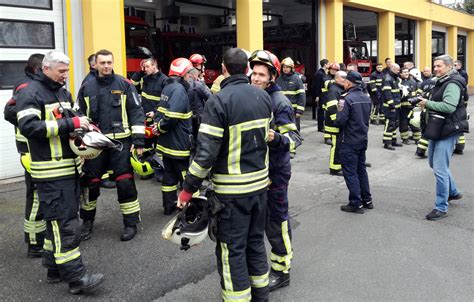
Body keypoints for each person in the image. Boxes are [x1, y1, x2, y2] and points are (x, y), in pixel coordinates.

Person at [177, 48, 272, 301]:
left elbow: (206, 153)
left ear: (223, 69)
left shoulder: (219, 101)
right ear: (248, 70)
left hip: (232, 194)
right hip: (260, 188)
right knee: (255, 243)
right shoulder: (263, 97)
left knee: (232, 251)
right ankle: (261, 295)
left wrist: (188, 188)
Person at [16, 50, 104, 294]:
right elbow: (29, 127)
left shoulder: (62, 92)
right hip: (50, 172)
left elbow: (73, 117)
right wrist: (72, 124)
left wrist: (86, 125)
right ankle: (76, 278)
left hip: (68, 170)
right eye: (62, 71)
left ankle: (53, 268)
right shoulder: (30, 93)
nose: (66, 75)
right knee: (64, 225)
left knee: (59, 221)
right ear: (46, 69)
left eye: (67, 71)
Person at [77, 49, 145, 241]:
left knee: (124, 182)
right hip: (95, 144)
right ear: (95, 65)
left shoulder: (124, 84)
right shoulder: (86, 87)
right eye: (102, 63)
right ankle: (87, 222)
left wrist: (139, 141)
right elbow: (79, 115)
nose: (106, 66)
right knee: (90, 183)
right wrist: (80, 144)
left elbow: (136, 112)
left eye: (109, 62)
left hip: (120, 143)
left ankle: (131, 223)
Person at [249, 50, 300, 291]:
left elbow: (294, 139)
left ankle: (282, 270)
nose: (255, 78)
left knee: (277, 221)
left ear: (272, 77)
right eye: (254, 73)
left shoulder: (279, 101)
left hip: (275, 173)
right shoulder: (254, 96)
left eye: (261, 74)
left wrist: (276, 137)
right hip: (257, 172)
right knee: (259, 222)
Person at [3, 53, 45, 258]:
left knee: (38, 194)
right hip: (30, 150)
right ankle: (35, 243)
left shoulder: (28, 84)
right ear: (39, 69)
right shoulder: (27, 87)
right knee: (36, 195)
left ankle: (37, 239)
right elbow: (9, 112)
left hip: (33, 148)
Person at [418, 55, 468, 220]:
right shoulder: (442, 80)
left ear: (448, 66)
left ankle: (441, 207)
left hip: (447, 130)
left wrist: (427, 103)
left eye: (439, 66)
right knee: (434, 163)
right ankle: (452, 192)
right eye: (435, 66)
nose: (436, 69)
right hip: (437, 128)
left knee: (439, 169)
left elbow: (448, 106)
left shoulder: (452, 83)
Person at [153, 58, 194, 216]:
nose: (190, 76)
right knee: (186, 176)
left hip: (167, 142)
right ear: (183, 73)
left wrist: (158, 127)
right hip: (179, 143)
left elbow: (161, 113)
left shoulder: (168, 87)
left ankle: (169, 206)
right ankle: (190, 207)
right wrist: (161, 127)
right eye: (189, 73)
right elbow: (172, 117)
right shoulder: (179, 90)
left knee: (169, 176)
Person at [335, 71, 373, 213]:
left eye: (345, 81)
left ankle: (356, 203)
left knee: (350, 172)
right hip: (362, 139)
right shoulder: (366, 97)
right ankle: (367, 200)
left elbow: (340, 121)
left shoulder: (346, 99)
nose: (344, 83)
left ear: (349, 83)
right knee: (361, 170)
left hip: (349, 140)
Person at [130, 57, 168, 151]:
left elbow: (165, 101)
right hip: (144, 119)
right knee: (144, 147)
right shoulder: (145, 78)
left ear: (154, 65)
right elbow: (133, 84)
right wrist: (141, 71)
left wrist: (156, 113)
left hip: (157, 119)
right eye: (144, 67)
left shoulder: (164, 80)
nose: (145, 69)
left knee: (158, 146)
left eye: (147, 67)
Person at [325, 70, 347, 176]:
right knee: (336, 145)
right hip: (334, 124)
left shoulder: (340, 89)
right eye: (342, 77)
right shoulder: (334, 90)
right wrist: (337, 121)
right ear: (336, 78)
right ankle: (334, 168)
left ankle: (339, 164)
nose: (344, 79)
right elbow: (332, 107)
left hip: (339, 122)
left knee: (340, 145)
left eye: (345, 77)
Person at [276, 57, 306, 131]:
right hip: (281, 110)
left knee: (294, 129)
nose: (285, 69)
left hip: (293, 110)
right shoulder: (278, 79)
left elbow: (301, 95)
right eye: (284, 67)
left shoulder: (296, 79)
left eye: (287, 67)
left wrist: (299, 110)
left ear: (292, 68)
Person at [187, 68, 212, 147]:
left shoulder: (182, 85)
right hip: (199, 118)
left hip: (187, 119)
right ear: (194, 75)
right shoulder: (198, 85)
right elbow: (211, 98)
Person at [382, 63, 403, 150]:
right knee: (390, 124)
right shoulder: (388, 78)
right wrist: (391, 105)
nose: (399, 72)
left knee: (395, 123)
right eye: (397, 70)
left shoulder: (395, 78)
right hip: (390, 106)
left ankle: (393, 140)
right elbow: (387, 94)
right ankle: (387, 143)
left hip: (396, 105)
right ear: (392, 69)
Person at [320, 63, 340, 145]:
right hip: (327, 101)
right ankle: (327, 137)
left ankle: (333, 135)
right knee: (328, 120)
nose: (333, 71)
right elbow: (328, 86)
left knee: (334, 119)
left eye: (335, 70)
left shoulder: (336, 78)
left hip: (335, 101)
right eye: (332, 69)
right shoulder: (326, 78)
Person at [399, 67, 420, 144]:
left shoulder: (413, 82)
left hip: (413, 106)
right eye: (404, 72)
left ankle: (417, 138)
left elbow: (417, 94)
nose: (406, 73)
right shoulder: (399, 82)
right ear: (400, 73)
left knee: (414, 122)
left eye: (407, 72)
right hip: (403, 107)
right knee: (403, 123)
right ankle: (405, 138)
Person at [453, 60, 468, 155]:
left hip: (455, 108)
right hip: (460, 107)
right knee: (459, 127)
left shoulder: (452, 82)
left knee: (453, 127)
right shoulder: (461, 81)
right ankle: (460, 147)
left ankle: (457, 147)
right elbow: (466, 96)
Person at [312, 59, 329, 128]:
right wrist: (317, 96)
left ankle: (321, 126)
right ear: (325, 65)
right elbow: (317, 85)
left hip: (323, 95)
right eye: (328, 64)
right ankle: (320, 127)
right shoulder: (319, 73)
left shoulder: (323, 73)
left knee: (322, 110)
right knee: (321, 111)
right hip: (320, 95)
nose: (328, 65)